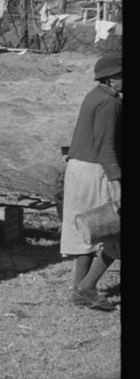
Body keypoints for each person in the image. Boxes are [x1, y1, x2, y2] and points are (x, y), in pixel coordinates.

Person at [59, 52, 122, 311]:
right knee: (113, 231)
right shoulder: (109, 103)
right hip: (95, 170)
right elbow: (105, 146)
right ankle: (86, 287)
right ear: (110, 78)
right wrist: (117, 181)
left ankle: (78, 290)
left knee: (87, 230)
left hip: (79, 169)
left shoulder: (95, 96)